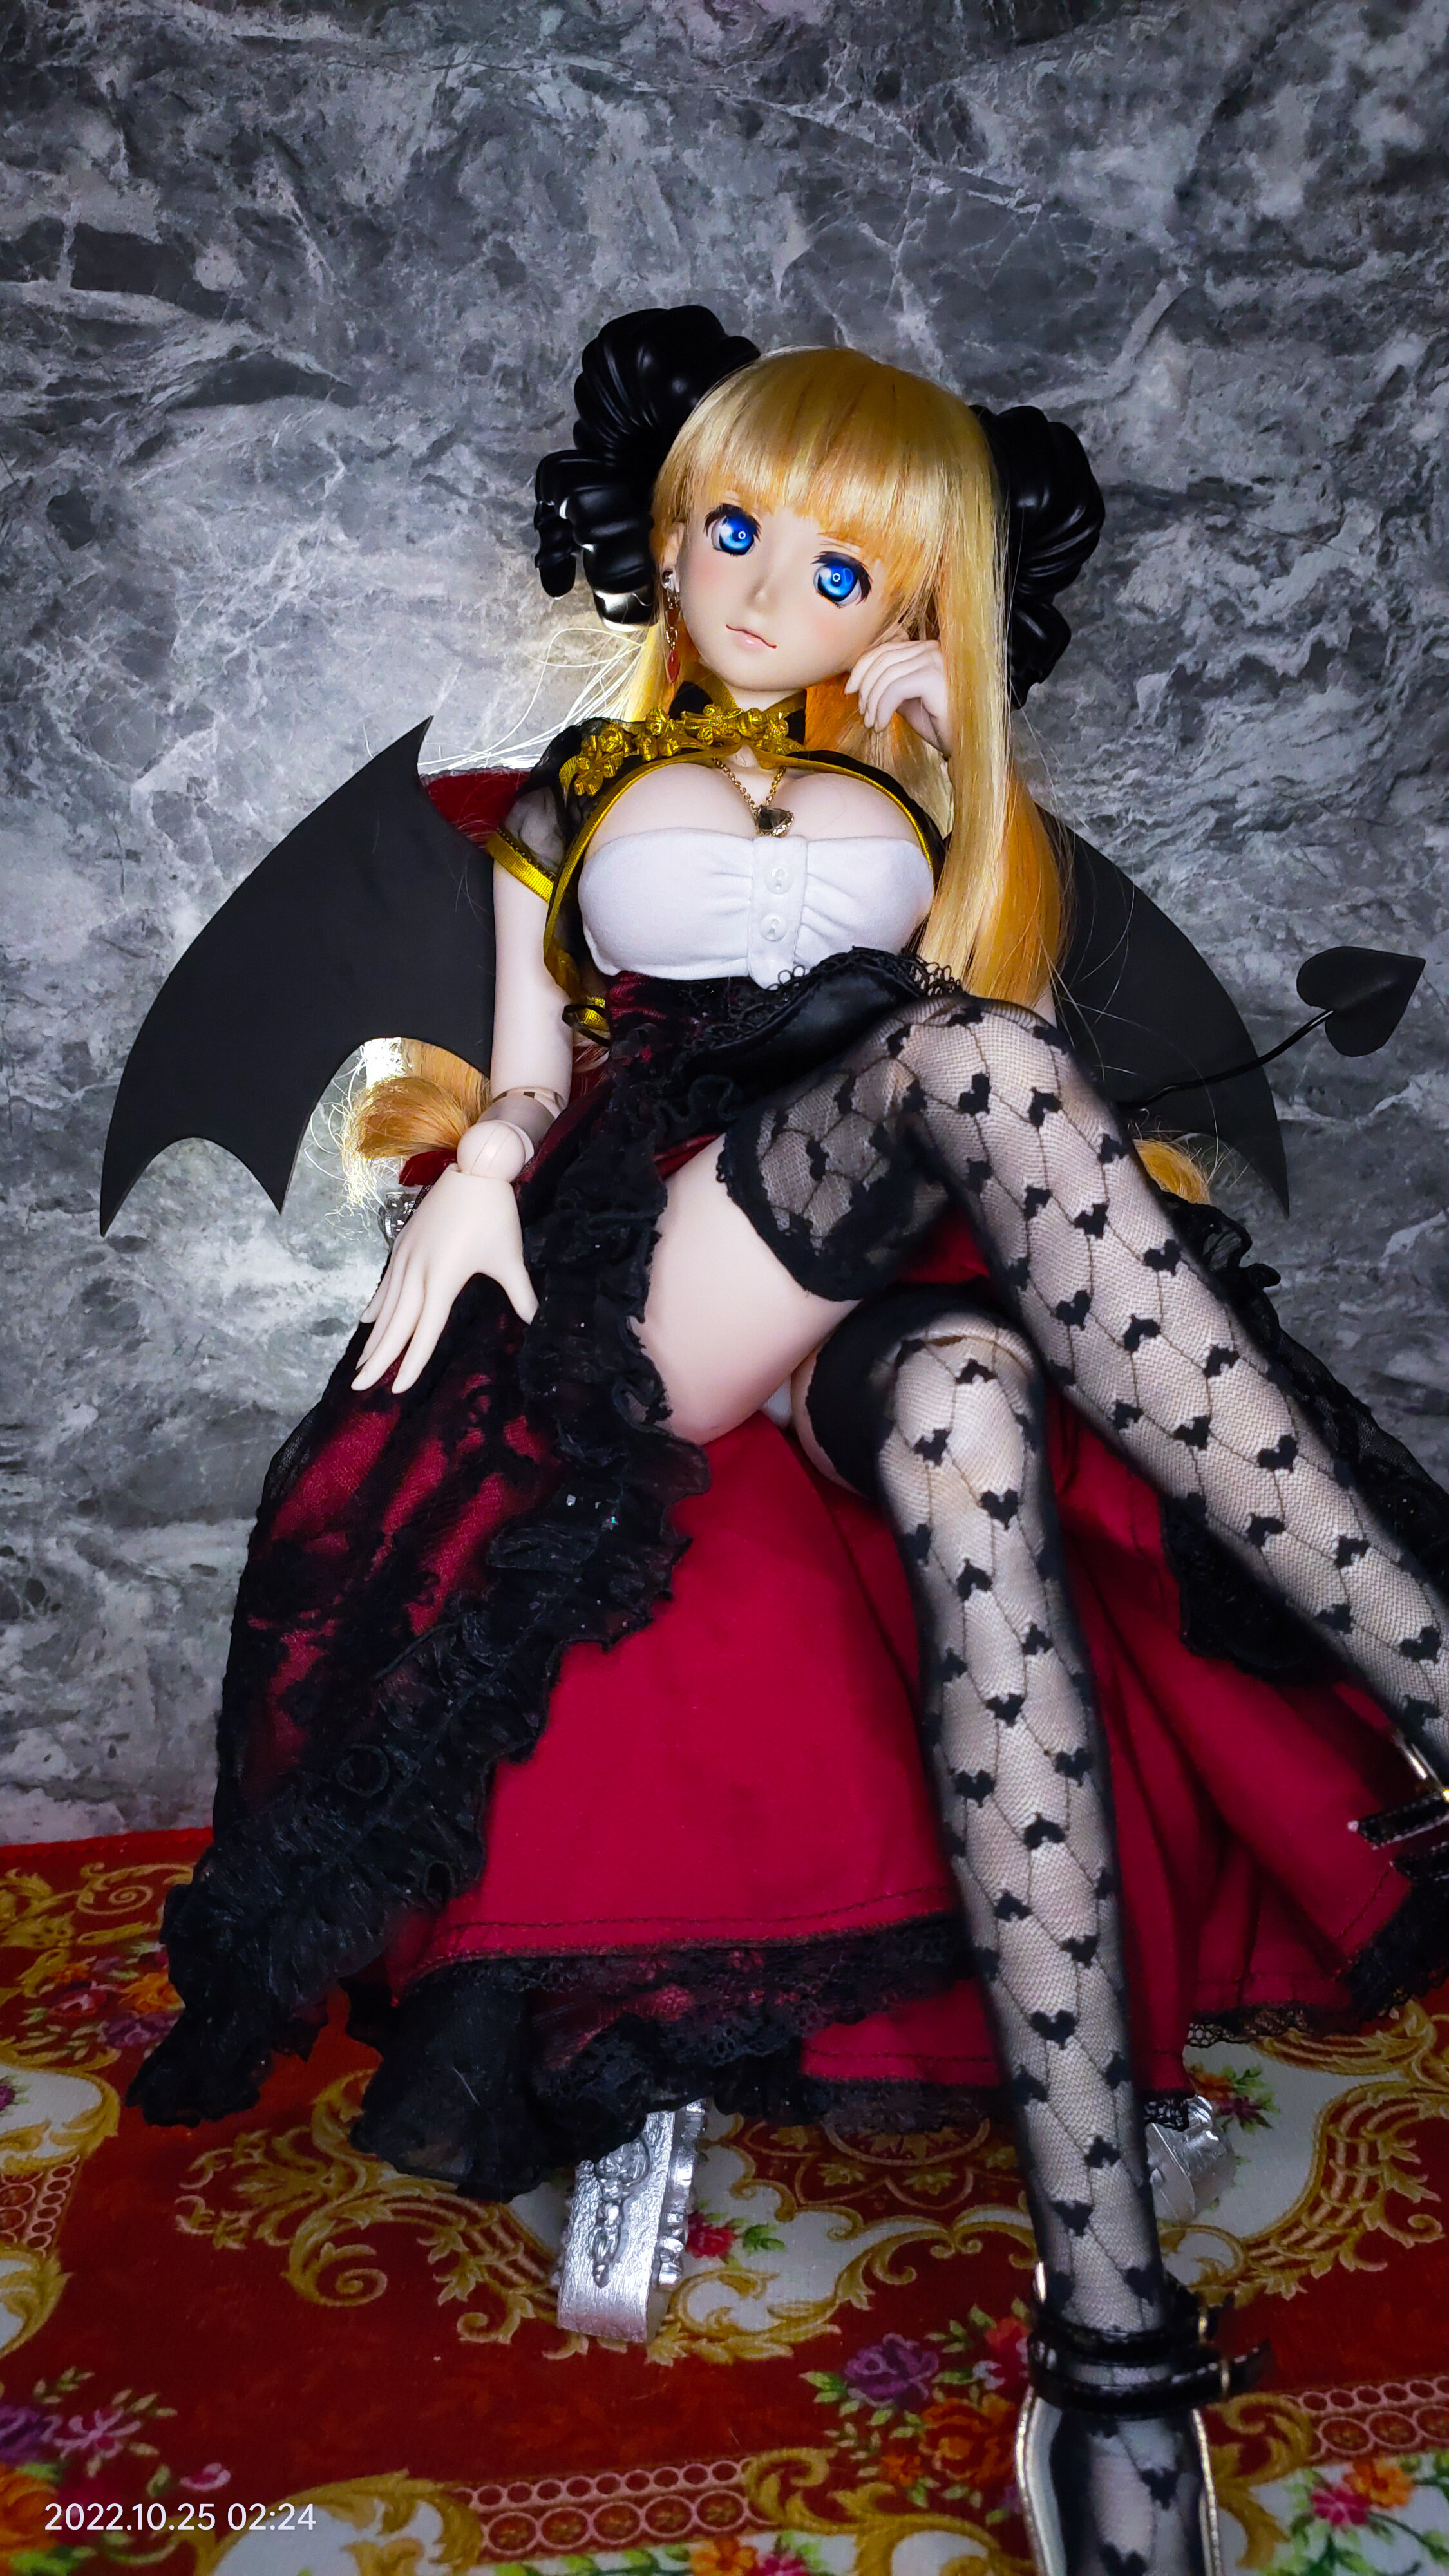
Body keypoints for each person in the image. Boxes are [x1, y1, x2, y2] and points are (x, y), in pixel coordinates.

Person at [129, 311, 1449, 2576]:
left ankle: (1106, 2340)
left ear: (909, 603)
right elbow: (540, 1063)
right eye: (732, 531)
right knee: (968, 1069)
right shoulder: (570, 791)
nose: (764, 587)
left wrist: (956, 768)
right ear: (663, 533)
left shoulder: (926, 795)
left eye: (837, 568)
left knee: (968, 1402)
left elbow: (1006, 1074)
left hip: (881, 1274)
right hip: (653, 1273)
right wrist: (476, 1164)